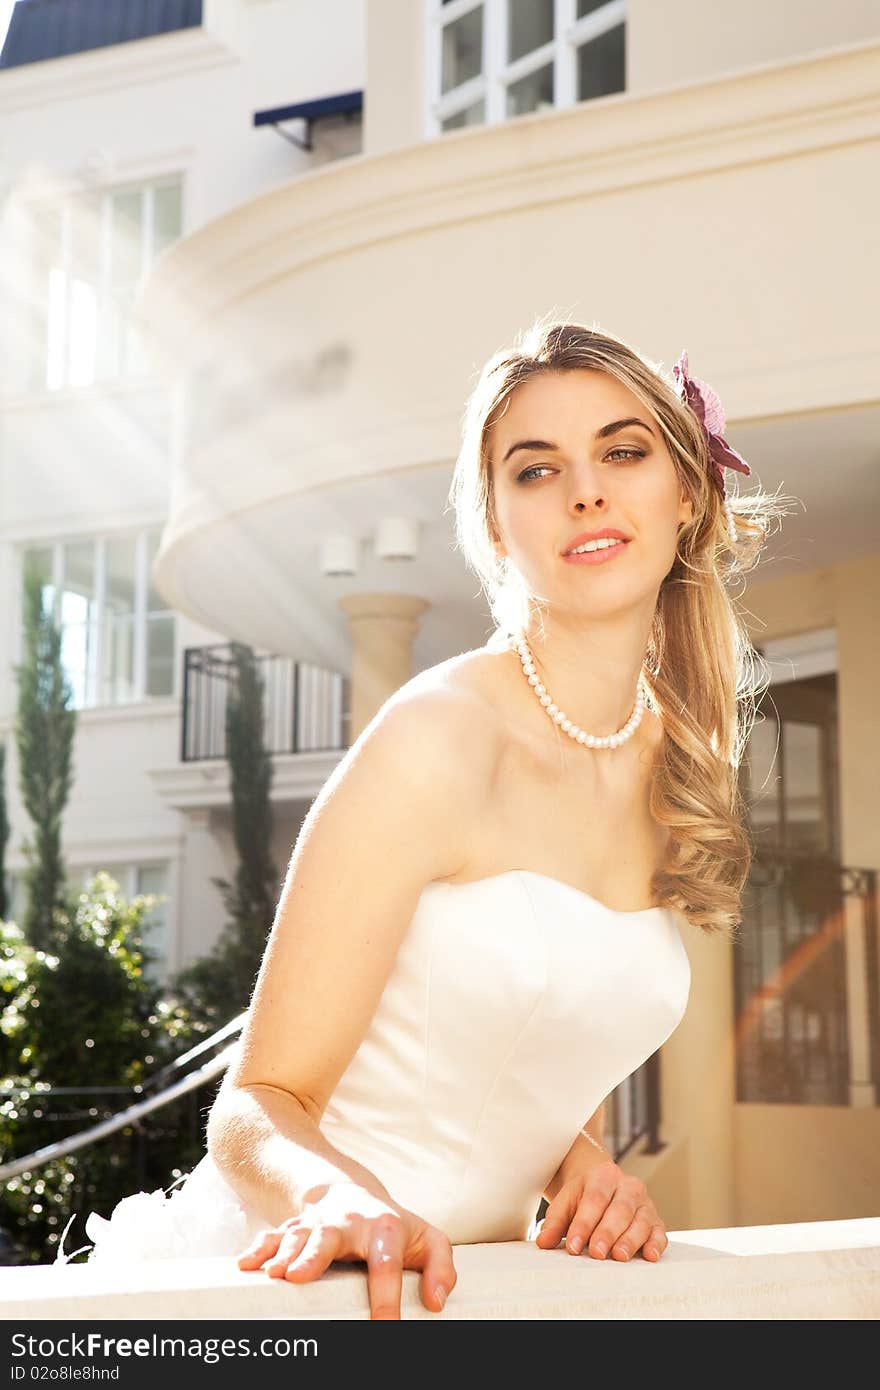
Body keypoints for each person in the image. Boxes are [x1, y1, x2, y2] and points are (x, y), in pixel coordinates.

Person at [82, 320, 787, 1319]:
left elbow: (519, 1053)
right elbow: (257, 1105)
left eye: (622, 451)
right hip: (310, 1284)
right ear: (497, 525)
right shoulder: (436, 738)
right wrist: (336, 1197)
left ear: (686, 495)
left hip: (482, 1300)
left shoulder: (668, 763)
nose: (585, 489)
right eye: (535, 470)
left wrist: (579, 1167)